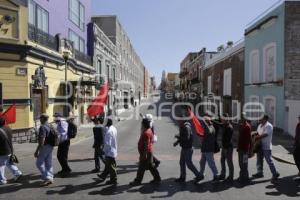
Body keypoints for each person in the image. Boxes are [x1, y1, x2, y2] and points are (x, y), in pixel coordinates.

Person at [130, 118, 161, 186]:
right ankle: (157, 178)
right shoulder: (148, 130)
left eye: (142, 123)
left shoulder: (146, 133)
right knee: (151, 166)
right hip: (148, 152)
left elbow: (146, 145)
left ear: (144, 124)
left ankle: (138, 181)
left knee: (141, 167)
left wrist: (144, 155)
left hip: (146, 153)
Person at [173, 117, 202, 183]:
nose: (178, 122)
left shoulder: (186, 127)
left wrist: (178, 137)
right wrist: (177, 142)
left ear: (183, 120)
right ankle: (182, 177)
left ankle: (198, 175)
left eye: (179, 120)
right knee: (182, 162)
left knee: (189, 164)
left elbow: (187, 137)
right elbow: (182, 135)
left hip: (188, 149)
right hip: (184, 148)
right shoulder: (182, 126)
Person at [252, 114, 280, 180]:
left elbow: (265, 135)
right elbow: (258, 133)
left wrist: (256, 137)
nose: (260, 119)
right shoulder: (259, 125)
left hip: (266, 146)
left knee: (269, 161)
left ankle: (275, 173)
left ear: (265, 119)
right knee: (259, 160)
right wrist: (254, 134)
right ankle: (260, 173)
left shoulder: (269, 126)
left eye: (261, 119)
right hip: (259, 145)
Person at [197, 116, 219, 182]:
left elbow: (208, 131)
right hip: (205, 148)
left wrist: (204, 122)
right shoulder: (208, 127)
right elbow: (204, 134)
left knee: (211, 163)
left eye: (205, 121)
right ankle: (201, 174)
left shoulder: (211, 128)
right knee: (202, 162)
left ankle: (216, 175)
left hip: (209, 149)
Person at [0, 117, 22, 185]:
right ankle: (18, 173)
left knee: (1, 166)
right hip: (9, 149)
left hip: (2, 151)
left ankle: (2, 180)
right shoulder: (8, 128)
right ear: (4, 122)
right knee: (9, 163)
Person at [35, 114, 54, 186]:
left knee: (39, 163)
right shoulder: (50, 125)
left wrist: (37, 150)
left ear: (42, 119)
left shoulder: (42, 127)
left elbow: (42, 141)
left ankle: (47, 178)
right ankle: (50, 177)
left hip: (45, 146)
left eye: (40, 118)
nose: (39, 119)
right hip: (50, 146)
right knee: (48, 163)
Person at [97, 117, 118, 185]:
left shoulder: (109, 132)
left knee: (110, 166)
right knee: (108, 165)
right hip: (113, 149)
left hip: (109, 151)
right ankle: (103, 175)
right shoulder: (113, 128)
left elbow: (107, 144)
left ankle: (114, 179)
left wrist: (103, 151)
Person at [237, 113, 252, 183]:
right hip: (240, 148)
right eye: (241, 117)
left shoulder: (247, 126)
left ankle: (246, 178)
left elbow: (249, 138)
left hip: (245, 149)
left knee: (244, 164)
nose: (241, 118)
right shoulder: (241, 126)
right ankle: (241, 176)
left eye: (243, 117)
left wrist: (250, 149)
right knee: (240, 163)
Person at [219, 114, 234, 182]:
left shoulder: (229, 127)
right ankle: (223, 174)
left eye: (222, 119)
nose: (221, 120)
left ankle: (231, 176)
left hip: (228, 147)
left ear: (225, 119)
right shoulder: (225, 125)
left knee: (229, 162)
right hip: (224, 147)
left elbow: (227, 139)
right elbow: (219, 123)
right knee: (222, 160)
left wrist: (225, 148)